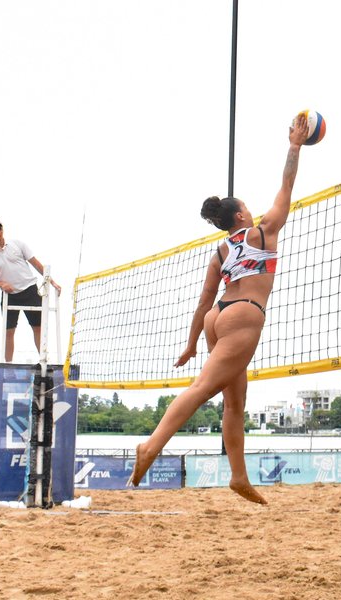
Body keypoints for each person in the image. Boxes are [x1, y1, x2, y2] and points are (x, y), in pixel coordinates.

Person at [127, 114, 310, 504]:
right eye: (247, 206)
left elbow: (203, 304)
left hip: (218, 318)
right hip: (244, 314)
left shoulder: (222, 250)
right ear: (242, 215)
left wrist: (193, 344)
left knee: (234, 402)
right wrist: (294, 145)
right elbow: (287, 184)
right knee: (202, 389)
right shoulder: (264, 230)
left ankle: (239, 476)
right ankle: (152, 446)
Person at [0, 219, 62, 362]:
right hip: (9, 295)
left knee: (38, 327)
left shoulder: (17, 244)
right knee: (9, 331)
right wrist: (1, 284)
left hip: (29, 289)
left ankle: (44, 360)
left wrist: (52, 281)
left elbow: (36, 264)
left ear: (3, 230)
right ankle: (8, 365)